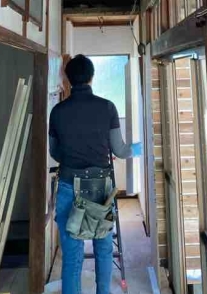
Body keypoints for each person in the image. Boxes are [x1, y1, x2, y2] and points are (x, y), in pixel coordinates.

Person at [49, 54, 142, 294]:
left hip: (68, 184)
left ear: (68, 79)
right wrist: (139, 148)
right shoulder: (107, 107)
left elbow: (55, 152)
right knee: (103, 249)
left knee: (72, 256)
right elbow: (120, 150)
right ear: (91, 77)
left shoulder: (57, 111)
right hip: (99, 188)